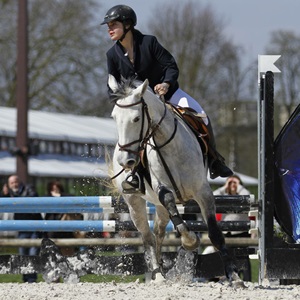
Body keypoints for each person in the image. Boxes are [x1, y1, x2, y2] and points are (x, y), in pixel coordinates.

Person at [101, 5, 233, 193]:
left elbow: (171, 66)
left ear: (128, 24)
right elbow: (111, 84)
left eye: (113, 24)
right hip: (141, 104)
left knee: (201, 116)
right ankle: (134, 174)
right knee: (134, 133)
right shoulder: (112, 55)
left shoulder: (149, 43)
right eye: (108, 25)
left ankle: (214, 160)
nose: (109, 29)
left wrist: (166, 84)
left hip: (169, 94)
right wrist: (121, 101)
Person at [7, 175, 43, 283]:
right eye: (12, 183)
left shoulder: (29, 188)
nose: (15, 184)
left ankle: (31, 279)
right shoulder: (10, 194)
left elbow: (33, 197)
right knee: (23, 254)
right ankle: (25, 278)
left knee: (32, 254)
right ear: (9, 185)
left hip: (34, 226)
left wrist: (15, 199)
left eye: (16, 182)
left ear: (20, 182)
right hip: (21, 227)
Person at [45, 180, 84, 257]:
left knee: (68, 248)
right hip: (53, 228)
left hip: (66, 227)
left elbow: (72, 197)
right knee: (53, 249)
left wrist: (58, 196)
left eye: (57, 188)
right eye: (53, 189)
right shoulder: (47, 197)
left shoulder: (65, 196)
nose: (55, 191)